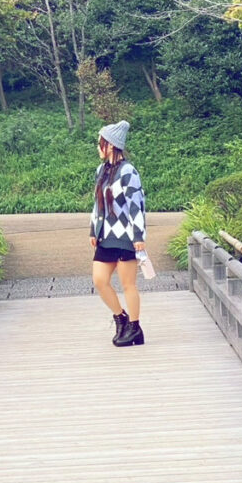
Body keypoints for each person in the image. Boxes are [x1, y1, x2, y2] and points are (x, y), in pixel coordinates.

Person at [89, 119, 146, 346]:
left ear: (110, 145)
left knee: (128, 284)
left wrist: (138, 236)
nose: (97, 147)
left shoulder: (128, 171)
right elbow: (97, 204)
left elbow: (136, 205)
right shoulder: (101, 171)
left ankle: (135, 328)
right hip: (105, 237)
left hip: (125, 237)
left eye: (100, 143)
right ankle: (120, 318)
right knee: (99, 280)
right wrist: (93, 230)